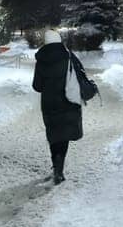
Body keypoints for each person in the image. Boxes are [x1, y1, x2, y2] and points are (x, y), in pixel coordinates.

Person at [32, 30, 96, 184]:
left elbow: (37, 86)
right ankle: (59, 169)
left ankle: (56, 166)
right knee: (64, 135)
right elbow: (80, 76)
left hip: (49, 105)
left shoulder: (41, 60)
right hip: (67, 102)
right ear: (59, 40)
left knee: (54, 136)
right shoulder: (68, 56)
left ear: (46, 42)